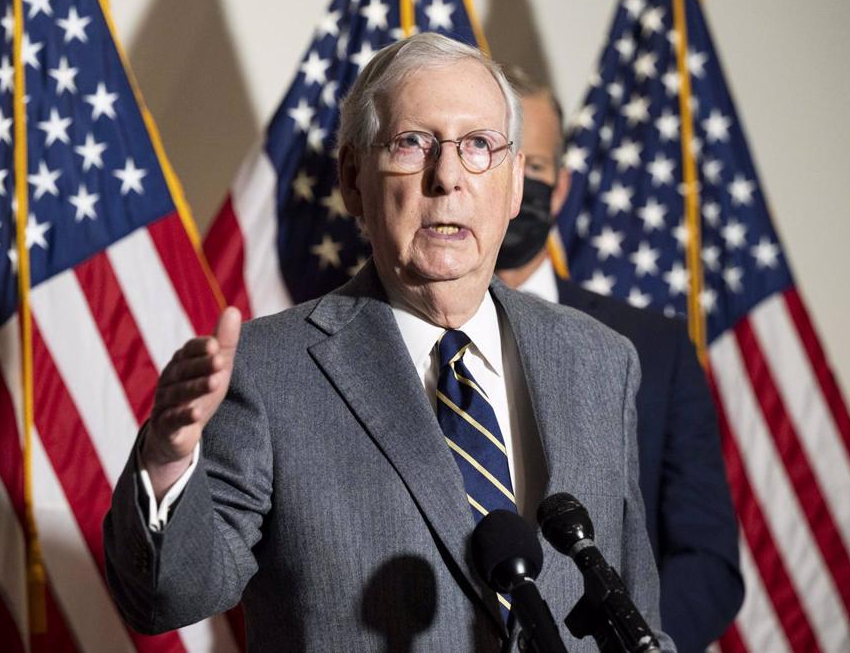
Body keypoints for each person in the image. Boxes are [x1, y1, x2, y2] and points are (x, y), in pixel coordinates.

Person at [104, 33, 675, 651]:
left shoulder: (598, 360)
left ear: (513, 185)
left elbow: (632, 610)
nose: (448, 177)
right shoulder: (269, 373)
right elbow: (169, 597)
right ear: (353, 179)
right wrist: (165, 461)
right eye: (412, 144)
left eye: (479, 145)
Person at [494, 66, 744, 652]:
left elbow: (707, 558)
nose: (517, 184)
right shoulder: (405, 336)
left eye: (536, 167)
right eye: (501, 155)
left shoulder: (652, 350)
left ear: (561, 187)